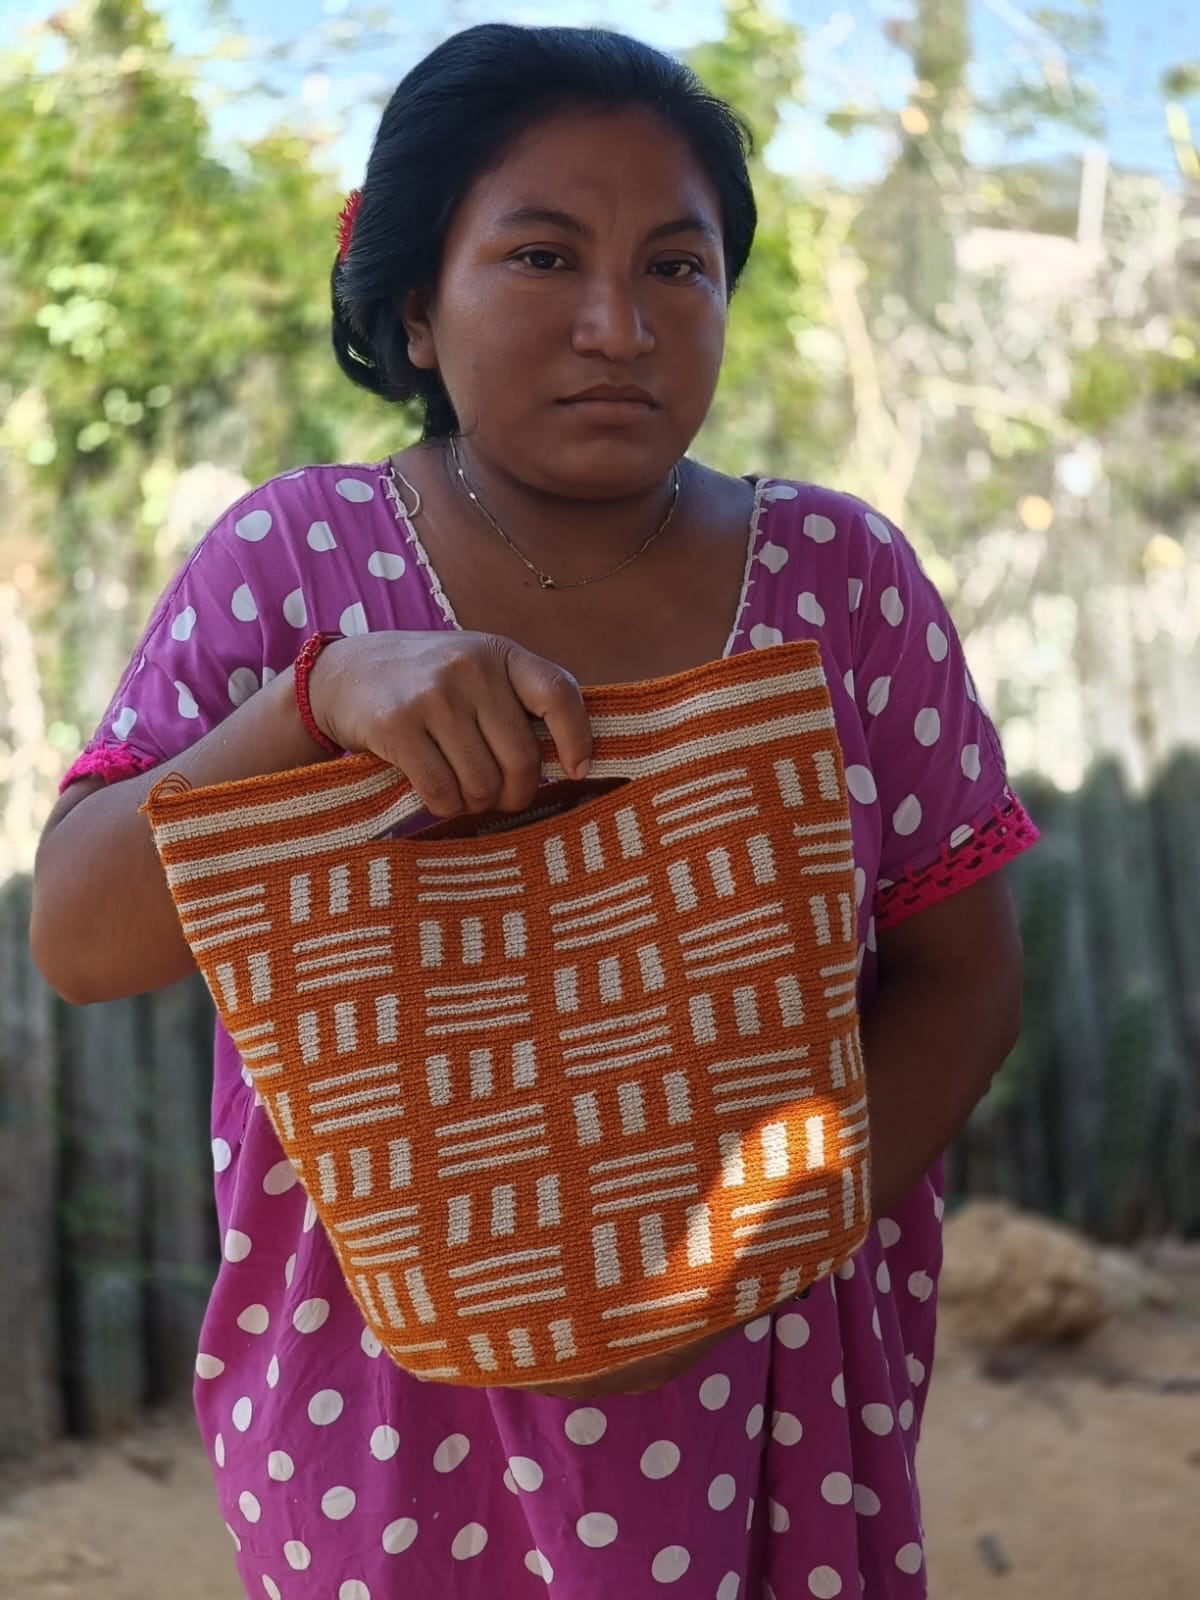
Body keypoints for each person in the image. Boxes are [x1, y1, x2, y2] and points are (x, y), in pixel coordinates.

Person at [31, 22, 1035, 1600]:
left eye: (678, 267)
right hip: (384, 1395)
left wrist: (728, 1268)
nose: (619, 325)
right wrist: (317, 702)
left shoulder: (846, 583)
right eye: (545, 256)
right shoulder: (295, 562)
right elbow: (81, 937)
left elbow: (966, 978)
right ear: (418, 308)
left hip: (768, 1366)